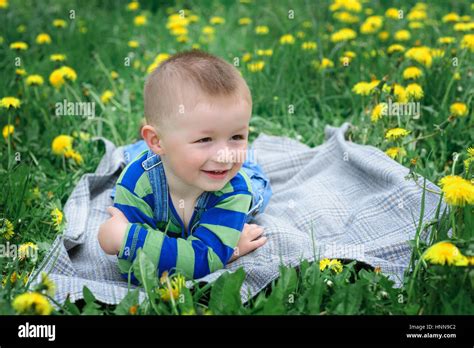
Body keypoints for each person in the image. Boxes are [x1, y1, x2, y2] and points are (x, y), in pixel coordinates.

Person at [98, 50, 272, 284]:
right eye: (204, 140)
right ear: (157, 141)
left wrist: (126, 238)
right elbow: (136, 271)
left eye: (237, 136)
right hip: (158, 163)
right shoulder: (136, 182)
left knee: (254, 185)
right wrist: (204, 255)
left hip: (237, 181)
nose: (224, 155)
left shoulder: (235, 189)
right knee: (139, 159)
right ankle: (143, 147)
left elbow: (203, 260)